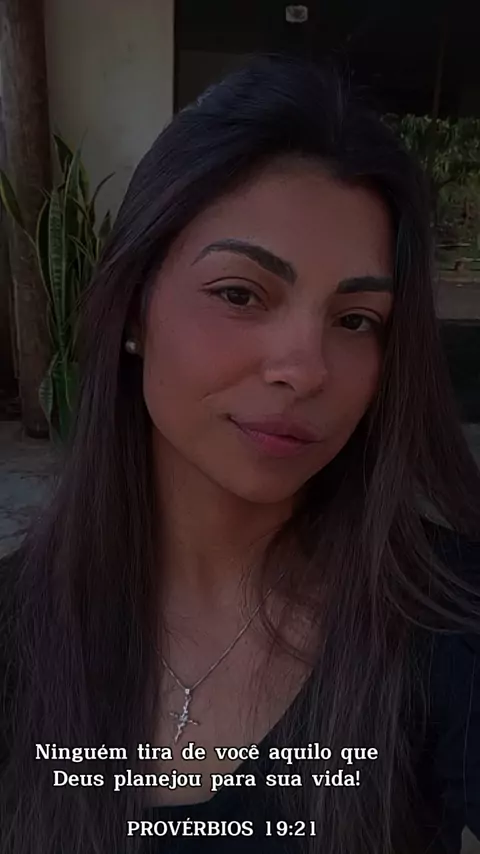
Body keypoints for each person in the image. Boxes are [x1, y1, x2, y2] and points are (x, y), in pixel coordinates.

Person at [0, 54, 479, 854]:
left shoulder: (447, 619)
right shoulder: (18, 626)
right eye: (240, 293)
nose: (306, 369)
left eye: (355, 320)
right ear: (135, 308)